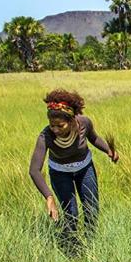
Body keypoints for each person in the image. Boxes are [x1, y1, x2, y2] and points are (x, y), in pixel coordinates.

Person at [29, 89, 118, 250]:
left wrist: (108, 150)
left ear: (71, 120)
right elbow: (34, 170)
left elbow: (94, 138)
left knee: (91, 209)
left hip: (85, 169)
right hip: (60, 173)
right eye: (52, 125)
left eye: (60, 125)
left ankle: (90, 245)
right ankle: (72, 248)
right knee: (71, 214)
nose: (55, 129)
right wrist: (49, 197)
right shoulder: (46, 136)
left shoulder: (84, 123)